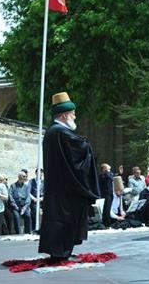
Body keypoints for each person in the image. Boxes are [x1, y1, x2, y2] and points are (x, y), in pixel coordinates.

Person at [38, 92, 100, 263]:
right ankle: (61, 252)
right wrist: (86, 145)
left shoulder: (53, 132)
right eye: (73, 113)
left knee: (59, 221)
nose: (75, 116)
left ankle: (61, 251)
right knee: (64, 221)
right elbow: (79, 150)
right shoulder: (60, 133)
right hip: (66, 190)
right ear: (65, 115)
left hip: (59, 188)